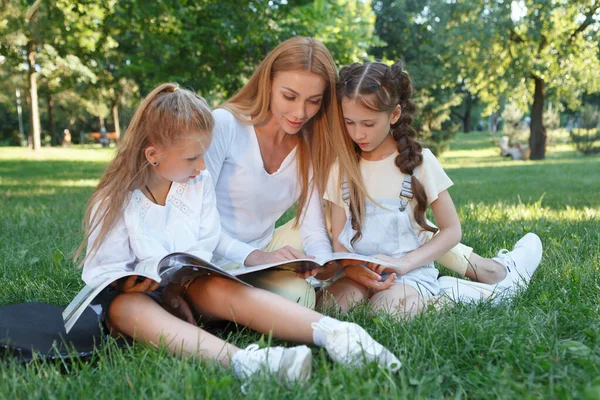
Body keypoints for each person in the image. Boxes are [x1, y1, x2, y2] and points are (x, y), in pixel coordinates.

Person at [75, 82, 402, 383]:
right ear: (153, 156)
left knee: (216, 285)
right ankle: (249, 363)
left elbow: (204, 243)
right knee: (125, 309)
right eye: (192, 157)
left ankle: (336, 333)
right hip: (140, 303)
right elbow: (102, 271)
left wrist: (178, 286)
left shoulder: (196, 184)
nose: (203, 167)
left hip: (186, 290)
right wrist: (133, 283)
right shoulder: (114, 202)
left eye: (203, 155)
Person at [205, 36, 541, 310]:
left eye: (313, 101)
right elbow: (195, 221)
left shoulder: (311, 143)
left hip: (272, 243)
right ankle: (476, 275)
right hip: (220, 248)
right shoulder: (225, 126)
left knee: (400, 222)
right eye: (289, 96)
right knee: (314, 296)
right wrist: (258, 256)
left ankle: (490, 270)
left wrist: (342, 263)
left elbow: (312, 225)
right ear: (267, 83)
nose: (299, 112)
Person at [315, 61, 542, 314]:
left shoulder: (419, 163)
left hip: (409, 273)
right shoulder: (341, 168)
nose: (358, 133)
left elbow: (451, 230)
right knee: (330, 308)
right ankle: (443, 292)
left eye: (368, 124)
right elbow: (338, 241)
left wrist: (404, 263)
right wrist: (355, 270)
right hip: (359, 275)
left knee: (386, 312)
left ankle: (466, 293)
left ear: (394, 114)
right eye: (350, 122)